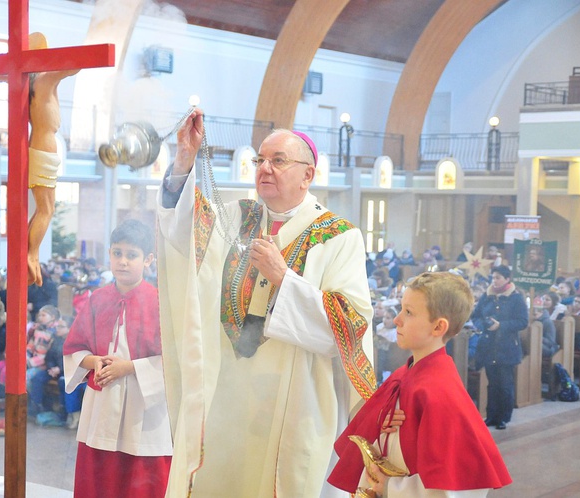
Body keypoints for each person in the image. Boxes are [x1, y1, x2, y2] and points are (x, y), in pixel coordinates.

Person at [156, 109, 375, 496]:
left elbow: (351, 322)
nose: (265, 169)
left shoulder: (340, 236)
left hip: (293, 395)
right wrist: (184, 162)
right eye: (260, 160)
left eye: (278, 161)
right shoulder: (237, 216)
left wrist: (283, 279)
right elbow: (183, 237)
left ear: (308, 175)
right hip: (228, 392)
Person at [328, 272, 512, 496]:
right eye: (401, 309)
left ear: (438, 328)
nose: (397, 320)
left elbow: (455, 488)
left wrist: (389, 487)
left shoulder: (439, 393)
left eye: (408, 312)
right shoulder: (404, 374)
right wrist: (380, 423)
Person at [63, 219, 172, 498]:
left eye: (131, 255)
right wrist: (94, 361)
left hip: (143, 404)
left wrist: (128, 367)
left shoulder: (160, 302)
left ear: (148, 259)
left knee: (141, 480)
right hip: (102, 403)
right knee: (99, 480)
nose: (123, 261)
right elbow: (74, 348)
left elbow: (175, 360)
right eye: (117, 253)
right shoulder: (97, 299)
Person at [24, 32, 79, 287]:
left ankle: (28, 252)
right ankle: (31, 253)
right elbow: (72, 66)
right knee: (47, 209)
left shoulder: (32, 82)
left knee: (44, 208)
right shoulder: (44, 79)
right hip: (44, 147)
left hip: (42, 146)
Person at [470, 265, 528, 430]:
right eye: (493, 278)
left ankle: (503, 418)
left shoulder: (515, 298)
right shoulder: (487, 296)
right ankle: (491, 416)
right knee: (492, 383)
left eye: (498, 278)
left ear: (507, 279)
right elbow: (476, 316)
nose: (494, 281)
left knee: (505, 384)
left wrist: (501, 325)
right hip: (489, 346)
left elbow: (522, 322)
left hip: (506, 347)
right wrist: (484, 325)